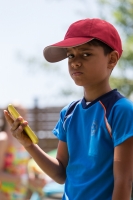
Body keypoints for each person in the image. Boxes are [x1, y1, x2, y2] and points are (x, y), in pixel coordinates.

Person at [4, 18, 133, 200]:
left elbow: (124, 181)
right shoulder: (68, 113)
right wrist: (29, 145)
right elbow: (60, 174)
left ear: (111, 59)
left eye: (86, 54)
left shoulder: (121, 110)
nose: (75, 62)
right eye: (71, 55)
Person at [0, 103, 45, 200]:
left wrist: (33, 179)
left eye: (25, 114)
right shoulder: (3, 139)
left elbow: (25, 168)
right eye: (20, 114)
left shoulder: (24, 140)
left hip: (21, 195)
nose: (24, 118)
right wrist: (25, 180)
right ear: (10, 115)